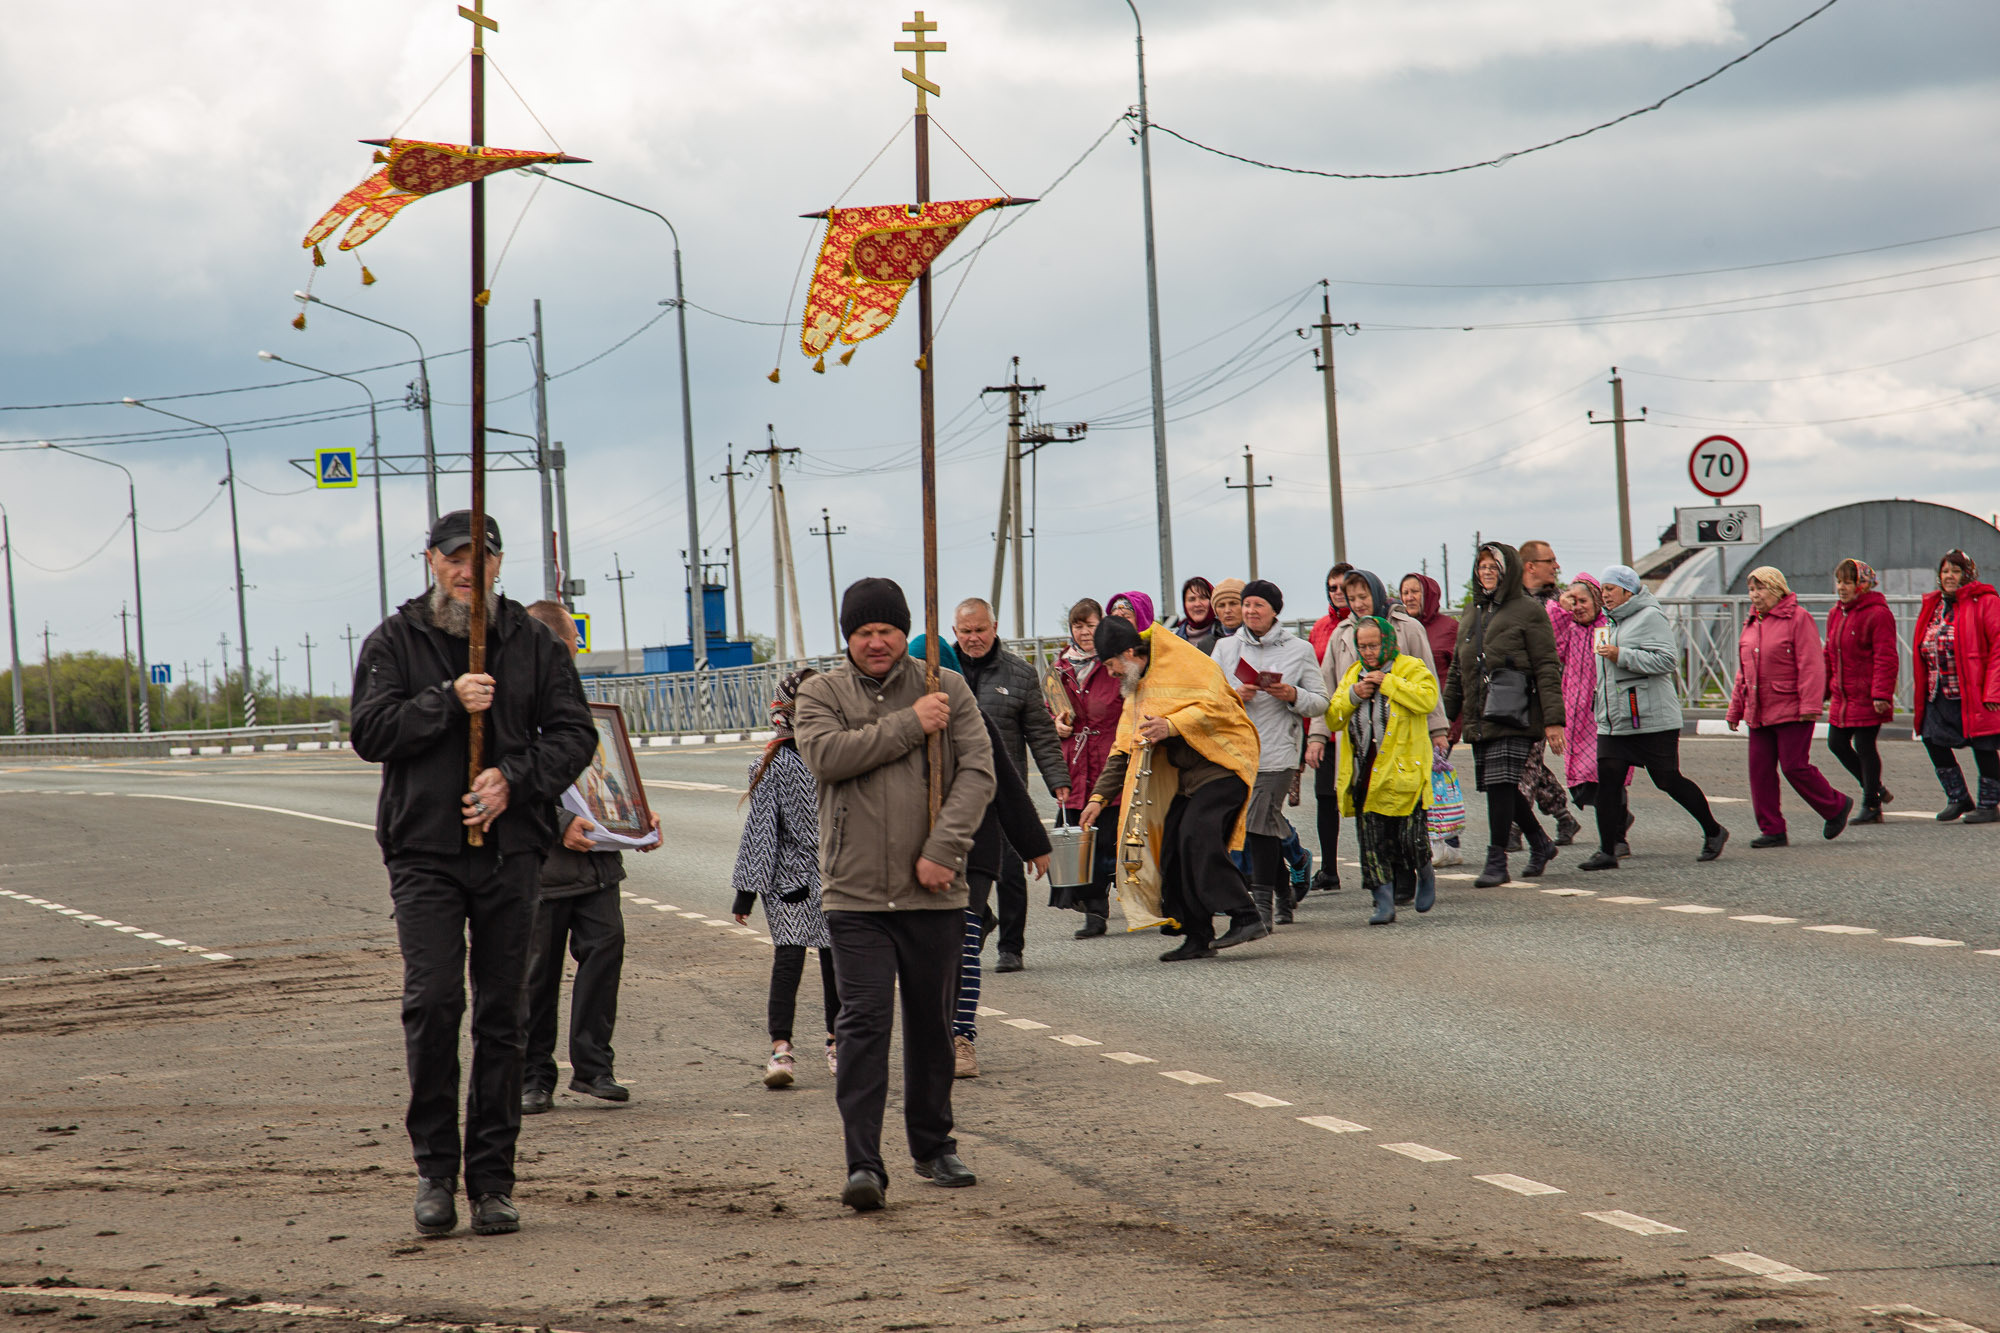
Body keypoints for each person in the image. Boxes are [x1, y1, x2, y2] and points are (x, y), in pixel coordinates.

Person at [350, 510, 597, 1239]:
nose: (467, 570)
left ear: (497, 564)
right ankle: (434, 1171)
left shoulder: (532, 642)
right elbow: (369, 731)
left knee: (503, 1015)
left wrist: (511, 781)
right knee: (432, 1004)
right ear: (431, 560)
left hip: (509, 850)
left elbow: (575, 734)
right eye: (454, 557)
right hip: (423, 850)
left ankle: (492, 1180)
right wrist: (446, 701)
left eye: (480, 558)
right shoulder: (396, 641)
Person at [793, 577, 995, 1211]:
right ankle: (864, 1163)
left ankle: (934, 1146)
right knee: (862, 1024)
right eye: (863, 632)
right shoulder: (820, 693)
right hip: (853, 895)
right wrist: (911, 723)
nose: (875, 642)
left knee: (934, 1026)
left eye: (886, 630)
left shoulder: (947, 686)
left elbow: (978, 774)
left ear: (905, 632)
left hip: (934, 890)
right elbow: (828, 757)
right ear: (847, 638)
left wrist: (943, 849)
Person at [520, 601, 660, 1117]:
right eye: (564, 649)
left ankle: (594, 1068)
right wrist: (559, 825)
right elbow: (505, 779)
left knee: (605, 952)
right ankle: (533, 1077)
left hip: (597, 867)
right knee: (536, 975)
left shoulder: (579, 707)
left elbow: (606, 781)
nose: (568, 659)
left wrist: (636, 819)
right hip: (538, 869)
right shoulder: (513, 708)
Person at [1079, 616, 1268, 960]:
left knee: (1197, 835)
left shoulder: (1184, 660)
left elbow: (1219, 705)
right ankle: (1197, 934)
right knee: (1171, 848)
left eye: (1111, 664)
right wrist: (1098, 798)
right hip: (1189, 779)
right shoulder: (1137, 688)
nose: (1111, 674)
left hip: (1224, 763)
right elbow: (1124, 748)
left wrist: (1172, 724)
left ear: (1129, 653)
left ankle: (1246, 914)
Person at [911, 635, 1052, 1080]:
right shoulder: (898, 725)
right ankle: (931, 1034)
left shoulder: (975, 722)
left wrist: (1033, 844)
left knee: (965, 943)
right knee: (928, 949)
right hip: (915, 855)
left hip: (975, 851)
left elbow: (1007, 786)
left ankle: (961, 1037)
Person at [1308, 569, 1448, 906]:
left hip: (1402, 751)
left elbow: (1427, 686)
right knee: (1373, 830)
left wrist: (1438, 729)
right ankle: (1383, 892)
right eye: (1350, 598)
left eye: (1362, 596)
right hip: (1362, 751)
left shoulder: (1407, 629)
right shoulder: (1342, 635)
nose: (1357, 603)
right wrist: (1318, 732)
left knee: (1406, 826)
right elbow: (1329, 691)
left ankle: (1414, 873)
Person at [730, 668, 840, 1089]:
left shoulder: (841, 756)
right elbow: (760, 830)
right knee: (789, 960)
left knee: (837, 963)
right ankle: (781, 1049)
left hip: (839, 875)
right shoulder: (773, 764)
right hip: (790, 879)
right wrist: (746, 894)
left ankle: (837, 1042)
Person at [1579, 566, 1728, 870]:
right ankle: (1607, 851)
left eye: (1610, 589)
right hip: (1614, 720)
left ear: (1628, 591)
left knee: (1667, 780)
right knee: (1607, 782)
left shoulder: (1650, 616)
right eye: (1603, 589)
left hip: (1650, 718)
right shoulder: (1607, 622)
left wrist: (1622, 655)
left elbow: (1667, 660)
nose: (1604, 594)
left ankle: (1714, 830)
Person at [952, 598, 1070, 975]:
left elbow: (1041, 734)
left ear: (995, 627)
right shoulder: (939, 672)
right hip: (951, 795)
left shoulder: (1019, 674)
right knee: (955, 870)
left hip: (1002, 792)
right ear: (955, 632)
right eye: (966, 631)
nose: (973, 638)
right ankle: (979, 920)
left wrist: (1058, 781)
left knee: (1007, 869)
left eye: (980, 630)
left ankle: (1011, 946)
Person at [1441, 543, 1567, 888]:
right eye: (1481, 567)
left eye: (1493, 567)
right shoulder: (1471, 612)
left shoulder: (1528, 611)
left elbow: (1546, 665)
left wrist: (1554, 719)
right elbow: (1456, 670)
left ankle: (1497, 859)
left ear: (1508, 570)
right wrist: (1441, 720)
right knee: (1502, 787)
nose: (1486, 573)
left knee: (1499, 784)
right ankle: (1541, 843)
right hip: (1480, 712)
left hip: (1516, 712)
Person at [1210, 580, 1329, 928]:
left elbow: (1320, 701)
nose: (1249, 611)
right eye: (1246, 605)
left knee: (1258, 820)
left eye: (1257, 605)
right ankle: (1284, 894)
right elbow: (1209, 697)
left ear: (1275, 610)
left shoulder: (1299, 649)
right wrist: (1235, 694)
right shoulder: (1225, 648)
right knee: (1260, 823)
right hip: (1237, 750)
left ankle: (1261, 906)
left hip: (1278, 750)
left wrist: (1291, 693)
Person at [1325, 617, 1440, 924]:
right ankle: (1383, 902)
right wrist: (1353, 696)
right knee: (1372, 842)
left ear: (1387, 641)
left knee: (1409, 838)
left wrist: (1386, 682)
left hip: (1404, 771)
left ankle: (1424, 870)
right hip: (1365, 772)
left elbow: (1427, 699)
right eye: (1362, 646)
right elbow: (1333, 716)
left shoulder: (1410, 667)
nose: (1368, 652)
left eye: (1373, 645)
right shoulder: (1353, 673)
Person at [1727, 567, 1852, 847]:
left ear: (1777, 589)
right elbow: (1743, 672)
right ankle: (1772, 829)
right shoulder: (1751, 622)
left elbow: (1811, 665)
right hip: (1759, 709)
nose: (1754, 595)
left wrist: (1810, 705)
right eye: (1751, 589)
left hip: (1793, 708)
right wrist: (1736, 709)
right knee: (1759, 770)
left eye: (1760, 589)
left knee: (1794, 766)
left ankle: (1835, 806)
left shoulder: (1798, 618)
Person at [1052, 598, 1124, 938]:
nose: (1083, 632)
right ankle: (1094, 911)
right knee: (1080, 838)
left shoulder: (1114, 663)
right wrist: (1057, 724)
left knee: (1110, 838)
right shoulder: (1060, 667)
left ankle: (1137, 898)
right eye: (1078, 625)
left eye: (1090, 625)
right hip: (1076, 763)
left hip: (1110, 760)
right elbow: (1047, 710)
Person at [1911, 549, 2000, 822]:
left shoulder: (1985, 602)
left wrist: (1994, 690)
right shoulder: (1935, 605)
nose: (1949, 576)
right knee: (1931, 738)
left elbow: (1998, 647)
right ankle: (1959, 798)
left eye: (1956, 571)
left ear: (1968, 574)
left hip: (1974, 691)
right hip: (1939, 691)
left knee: (1983, 745)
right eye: (1945, 571)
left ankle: (1988, 805)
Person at [1513, 540, 1582, 847]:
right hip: (1514, 694)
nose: (1556, 566)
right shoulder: (1510, 600)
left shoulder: (1561, 602)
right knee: (1528, 763)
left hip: (1548, 694)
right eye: (1550, 561)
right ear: (1530, 566)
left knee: (1525, 763)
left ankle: (1514, 829)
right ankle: (1565, 817)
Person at [1824, 558, 1898, 823]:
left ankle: (1871, 805)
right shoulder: (1836, 614)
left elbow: (1886, 656)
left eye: (1848, 582)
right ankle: (1874, 787)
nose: (1842, 587)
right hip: (1843, 696)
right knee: (1836, 743)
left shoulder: (1878, 614)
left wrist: (1881, 694)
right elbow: (1829, 654)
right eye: (1839, 581)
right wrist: (1823, 688)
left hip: (1868, 694)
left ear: (1862, 584)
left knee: (1865, 746)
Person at [1401, 572, 1464, 866]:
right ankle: (1438, 843)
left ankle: (1446, 843)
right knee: (1419, 781)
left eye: (1415, 592)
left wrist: (1456, 720)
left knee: (1435, 780)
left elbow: (1461, 674)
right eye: (1405, 592)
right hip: (1409, 717)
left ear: (1430, 595)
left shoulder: (1449, 628)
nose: (1410, 597)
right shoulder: (1400, 629)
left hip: (1441, 717)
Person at [1549, 575, 1609, 807]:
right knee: (1580, 783)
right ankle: (1618, 818)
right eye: (1573, 601)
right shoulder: (1571, 630)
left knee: (1604, 773)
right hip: (1574, 712)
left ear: (1596, 600)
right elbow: (1554, 639)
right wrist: (1559, 607)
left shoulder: (1606, 627)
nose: (1578, 607)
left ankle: (1616, 821)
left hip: (1600, 711)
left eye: (1583, 600)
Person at [1308, 563, 1354, 662]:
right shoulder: (1318, 627)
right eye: (1333, 588)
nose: (1338, 592)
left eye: (1343, 587)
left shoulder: (1367, 621)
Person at [1173, 576, 1220, 654]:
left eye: (1203, 598)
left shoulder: (1226, 636)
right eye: (1191, 599)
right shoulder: (1172, 639)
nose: (1197, 604)